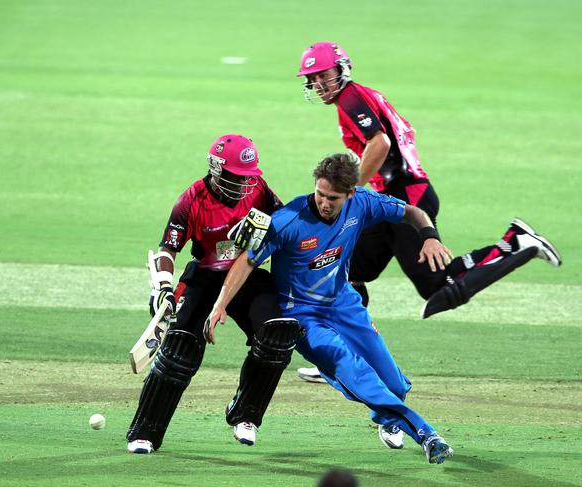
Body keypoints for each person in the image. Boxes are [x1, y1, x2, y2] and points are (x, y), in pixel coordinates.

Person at [295, 41, 562, 383]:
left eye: (323, 75)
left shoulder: (350, 99)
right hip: (392, 196)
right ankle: (342, 355)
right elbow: (406, 130)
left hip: (406, 198)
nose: (319, 84)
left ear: (342, 69)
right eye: (313, 79)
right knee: (347, 270)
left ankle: (517, 243)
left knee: (437, 285)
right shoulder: (363, 95)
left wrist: (350, 189)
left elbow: (382, 143)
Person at [205, 153, 458, 464]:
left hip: (344, 304)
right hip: (303, 317)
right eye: (320, 194)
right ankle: (427, 434)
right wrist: (220, 305)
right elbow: (247, 261)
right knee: (355, 370)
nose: (324, 203)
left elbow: (412, 212)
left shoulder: (363, 202)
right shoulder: (288, 220)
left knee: (393, 385)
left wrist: (429, 237)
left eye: (333, 198)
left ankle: (388, 415)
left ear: (350, 193)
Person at [126, 134, 303, 454]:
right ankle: (146, 432)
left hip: (246, 273)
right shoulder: (192, 199)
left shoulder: (258, 189)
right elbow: (169, 247)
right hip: (204, 277)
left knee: (278, 332)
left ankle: (245, 414)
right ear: (218, 170)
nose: (246, 184)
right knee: (180, 351)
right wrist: (163, 287)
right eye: (238, 177)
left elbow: (286, 222)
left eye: (249, 176)